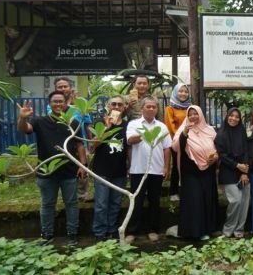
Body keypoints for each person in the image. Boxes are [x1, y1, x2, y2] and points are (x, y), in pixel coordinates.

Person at [17, 91, 86, 246]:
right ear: (49, 104)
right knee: (47, 204)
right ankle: (46, 236)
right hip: (46, 172)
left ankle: (72, 235)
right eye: (55, 101)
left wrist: (83, 165)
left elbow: (80, 145)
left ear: (66, 104)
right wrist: (22, 117)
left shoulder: (73, 123)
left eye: (61, 101)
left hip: (69, 171)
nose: (58, 104)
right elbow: (24, 129)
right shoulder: (39, 121)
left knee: (72, 204)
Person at [125, 96, 172, 244]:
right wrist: (145, 134)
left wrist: (166, 167)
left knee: (154, 201)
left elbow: (167, 148)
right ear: (142, 108)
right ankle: (132, 231)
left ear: (157, 109)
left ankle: (152, 230)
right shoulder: (134, 124)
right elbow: (130, 140)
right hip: (138, 169)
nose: (151, 109)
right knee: (136, 201)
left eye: (154, 107)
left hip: (156, 169)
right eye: (148, 106)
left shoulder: (162, 126)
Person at [172, 105, 219, 240]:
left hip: (208, 170)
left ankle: (208, 230)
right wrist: (185, 132)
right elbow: (175, 147)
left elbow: (218, 147)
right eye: (190, 114)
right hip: (190, 171)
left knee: (207, 199)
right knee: (194, 200)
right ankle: (194, 232)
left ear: (200, 114)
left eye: (195, 114)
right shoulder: (183, 128)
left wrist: (216, 156)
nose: (193, 116)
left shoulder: (209, 130)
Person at [89, 95, 129, 242]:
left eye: (120, 105)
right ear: (108, 106)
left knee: (115, 203)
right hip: (102, 171)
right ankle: (99, 232)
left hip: (119, 171)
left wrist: (129, 165)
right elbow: (92, 147)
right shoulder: (99, 122)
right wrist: (107, 128)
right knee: (101, 203)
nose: (116, 107)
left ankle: (112, 230)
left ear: (124, 107)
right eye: (113, 104)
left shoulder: (127, 125)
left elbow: (129, 147)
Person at [48, 76, 93, 201]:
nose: (63, 89)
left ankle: (83, 195)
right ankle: (66, 195)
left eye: (65, 86)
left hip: (79, 143)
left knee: (82, 169)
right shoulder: (52, 106)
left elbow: (87, 123)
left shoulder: (81, 104)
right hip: (62, 145)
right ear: (55, 89)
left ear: (70, 88)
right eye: (59, 87)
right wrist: (70, 106)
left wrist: (91, 141)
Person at [215, 107, 250, 239]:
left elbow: (246, 151)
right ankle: (228, 229)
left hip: (243, 171)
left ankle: (239, 229)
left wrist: (245, 171)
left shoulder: (241, 132)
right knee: (235, 200)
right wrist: (237, 165)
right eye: (231, 116)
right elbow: (222, 155)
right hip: (228, 171)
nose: (233, 119)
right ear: (227, 116)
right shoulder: (221, 134)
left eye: (237, 117)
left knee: (245, 201)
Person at [164, 83, 192, 201]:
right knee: (176, 165)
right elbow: (171, 127)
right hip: (176, 141)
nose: (183, 94)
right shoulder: (169, 109)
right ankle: (173, 192)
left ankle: (188, 191)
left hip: (191, 141)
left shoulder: (190, 108)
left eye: (185, 91)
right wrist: (182, 137)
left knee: (189, 166)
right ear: (175, 92)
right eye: (180, 91)